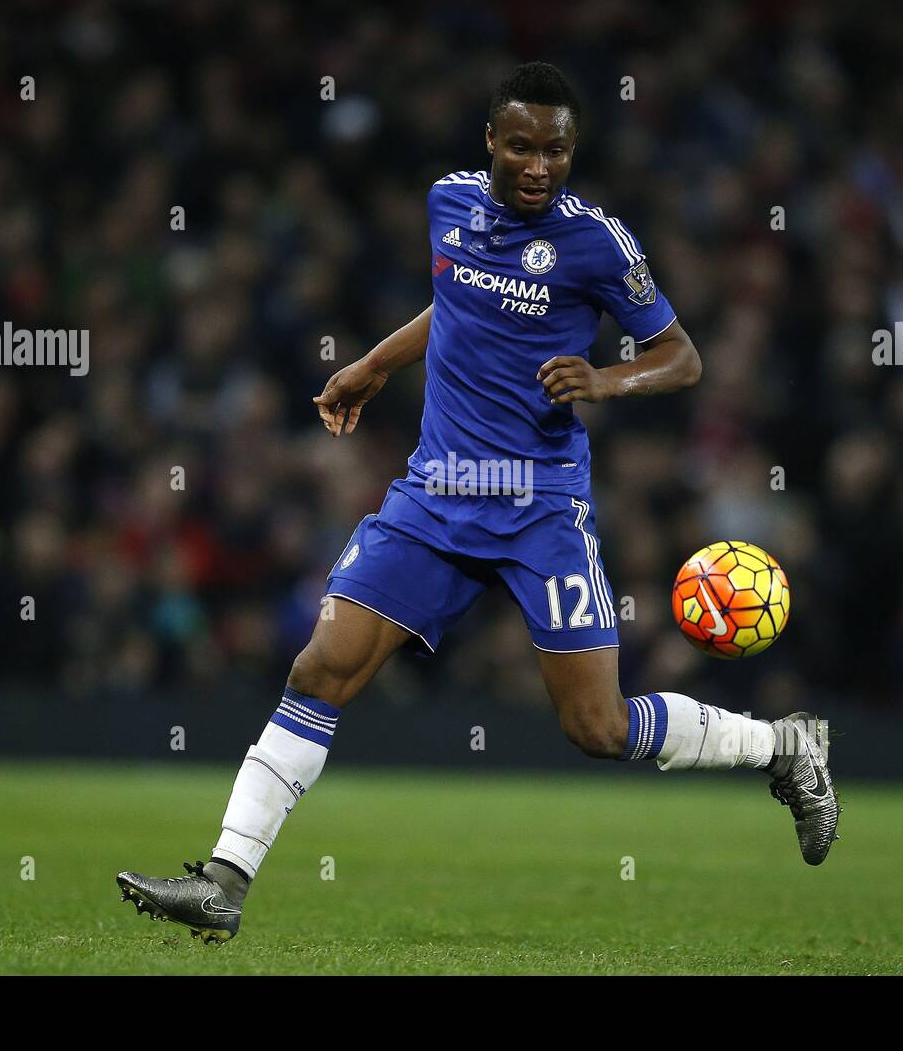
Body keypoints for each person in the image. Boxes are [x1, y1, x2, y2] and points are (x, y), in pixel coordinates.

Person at [117, 62, 839, 942]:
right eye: (523, 147)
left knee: (598, 727)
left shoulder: (599, 244)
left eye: (559, 150)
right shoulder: (448, 203)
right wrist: (374, 366)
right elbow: (456, 301)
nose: (540, 167)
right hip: (436, 492)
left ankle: (785, 748)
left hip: (541, 507)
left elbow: (682, 356)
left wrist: (608, 381)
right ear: (490, 142)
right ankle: (225, 881)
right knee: (320, 669)